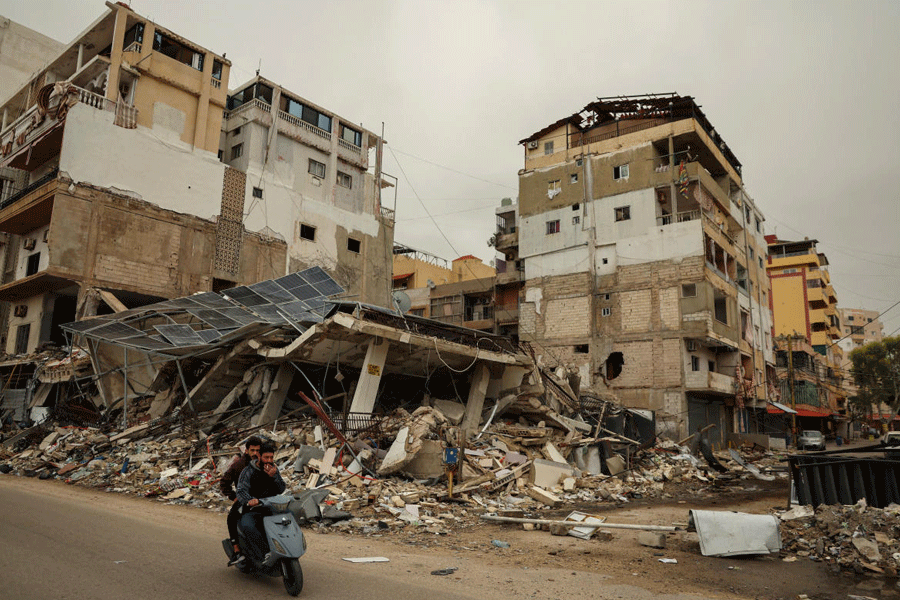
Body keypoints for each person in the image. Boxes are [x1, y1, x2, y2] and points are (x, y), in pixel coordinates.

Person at [236, 439, 286, 563]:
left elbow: (281, 489)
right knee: (248, 526)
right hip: (253, 509)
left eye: (271, 457)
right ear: (259, 456)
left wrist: (274, 477)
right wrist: (251, 500)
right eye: (266, 457)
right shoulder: (248, 471)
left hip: (270, 507)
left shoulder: (274, 470)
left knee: (289, 519)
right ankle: (263, 554)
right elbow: (241, 490)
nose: (269, 460)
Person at [220, 435, 262, 565]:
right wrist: (234, 497)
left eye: (257, 450)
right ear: (246, 450)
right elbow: (224, 482)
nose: (255, 453)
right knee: (231, 518)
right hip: (244, 501)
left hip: (262, 499)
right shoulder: (238, 465)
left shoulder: (264, 463)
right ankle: (237, 550)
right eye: (252, 450)